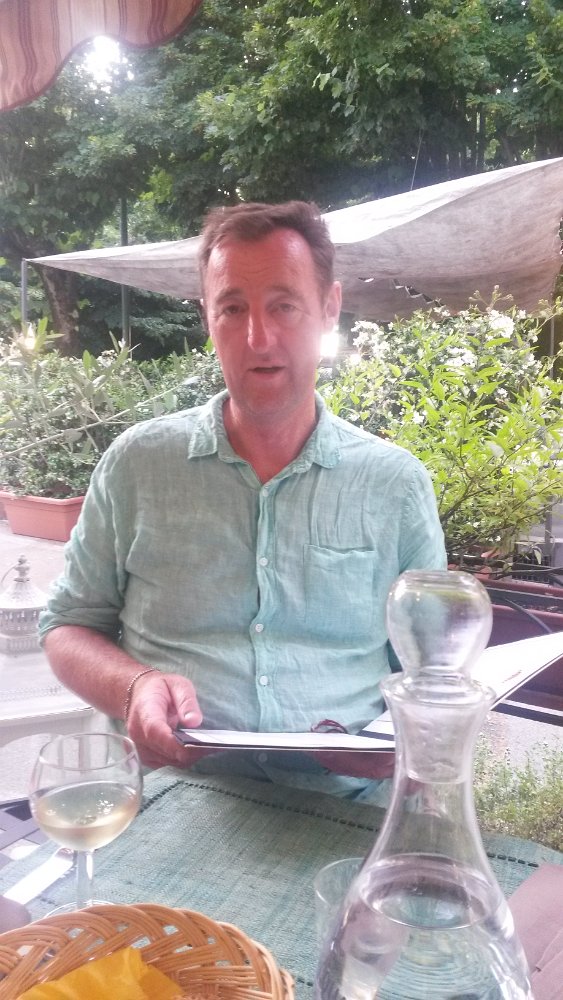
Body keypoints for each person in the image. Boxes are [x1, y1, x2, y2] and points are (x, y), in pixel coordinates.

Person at [39, 201, 446, 802]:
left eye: (284, 305)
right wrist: (134, 687)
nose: (259, 337)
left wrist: (408, 739)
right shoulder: (138, 464)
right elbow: (67, 625)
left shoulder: (396, 484)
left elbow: (434, 669)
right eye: (232, 308)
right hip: (169, 794)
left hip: (345, 803)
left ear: (329, 308)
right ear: (207, 317)